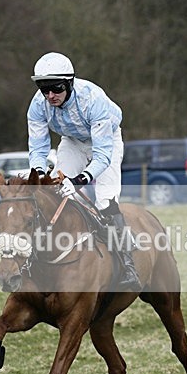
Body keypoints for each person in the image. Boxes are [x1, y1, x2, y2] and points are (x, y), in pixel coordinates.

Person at [27, 52, 140, 291]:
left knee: (105, 202)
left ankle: (128, 265)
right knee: (56, 194)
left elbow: (102, 156)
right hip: (72, 141)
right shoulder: (37, 105)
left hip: (106, 141)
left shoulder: (93, 98)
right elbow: (38, 149)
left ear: (69, 83)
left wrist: (79, 180)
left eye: (56, 88)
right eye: (44, 89)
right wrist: (39, 174)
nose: (50, 95)